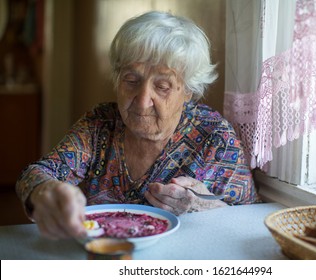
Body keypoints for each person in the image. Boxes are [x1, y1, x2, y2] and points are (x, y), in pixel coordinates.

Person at [16, 11, 259, 240]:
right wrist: (43, 191)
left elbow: (251, 220)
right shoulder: (100, 124)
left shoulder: (215, 139)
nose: (142, 102)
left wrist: (202, 203)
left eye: (162, 87)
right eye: (131, 80)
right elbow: (36, 173)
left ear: (188, 91)